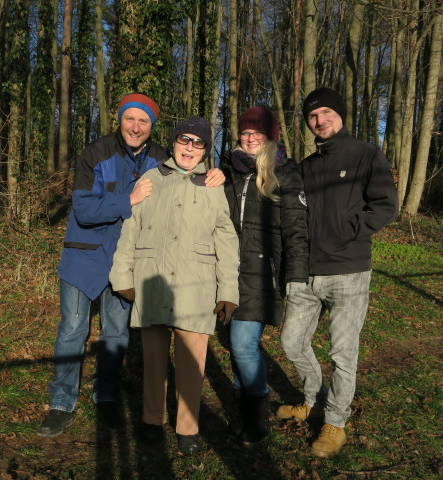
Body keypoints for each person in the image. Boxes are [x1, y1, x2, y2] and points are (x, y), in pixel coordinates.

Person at [38, 94, 225, 438]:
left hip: (129, 263)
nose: (136, 127)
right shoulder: (95, 154)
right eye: (130, 119)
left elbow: (188, 177)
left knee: (115, 333)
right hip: (86, 257)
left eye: (144, 121)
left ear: (153, 127)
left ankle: (106, 396)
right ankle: (61, 403)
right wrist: (128, 199)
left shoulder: (160, 159)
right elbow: (84, 211)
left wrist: (214, 174)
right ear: (119, 120)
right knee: (72, 330)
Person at [277, 87, 398, 457]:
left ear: (340, 115)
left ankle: (335, 422)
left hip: (348, 270)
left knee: (343, 353)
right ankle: (313, 399)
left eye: (327, 113)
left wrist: (349, 231)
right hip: (306, 273)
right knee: (291, 342)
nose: (320, 120)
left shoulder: (365, 155)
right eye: (313, 116)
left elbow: (385, 205)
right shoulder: (307, 166)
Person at [109, 116, 239, 455]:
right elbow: (130, 229)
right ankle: (152, 420)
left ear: (205, 151)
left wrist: (228, 290)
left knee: (192, 364)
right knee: (153, 361)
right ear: (174, 142)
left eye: (198, 144)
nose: (190, 148)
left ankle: (187, 428)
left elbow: (227, 240)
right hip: (153, 281)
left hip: (197, 286)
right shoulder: (151, 178)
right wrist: (121, 275)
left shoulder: (214, 186)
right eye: (185, 140)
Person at [220, 106, 309, 445]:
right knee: (232, 345)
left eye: (258, 132)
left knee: (243, 345)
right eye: (245, 132)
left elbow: (297, 230)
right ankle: (244, 414)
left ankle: (257, 418)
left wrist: (295, 279)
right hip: (227, 273)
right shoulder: (229, 171)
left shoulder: (285, 172)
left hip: (262, 274)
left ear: (270, 136)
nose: (251, 137)